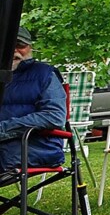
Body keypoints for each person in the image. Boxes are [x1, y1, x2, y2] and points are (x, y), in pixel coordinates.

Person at [0, 25, 67, 177]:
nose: (14, 50)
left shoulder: (45, 74)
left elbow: (54, 116)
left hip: (35, 144)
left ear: (30, 47)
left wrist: (3, 129)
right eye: (7, 46)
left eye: (20, 45)